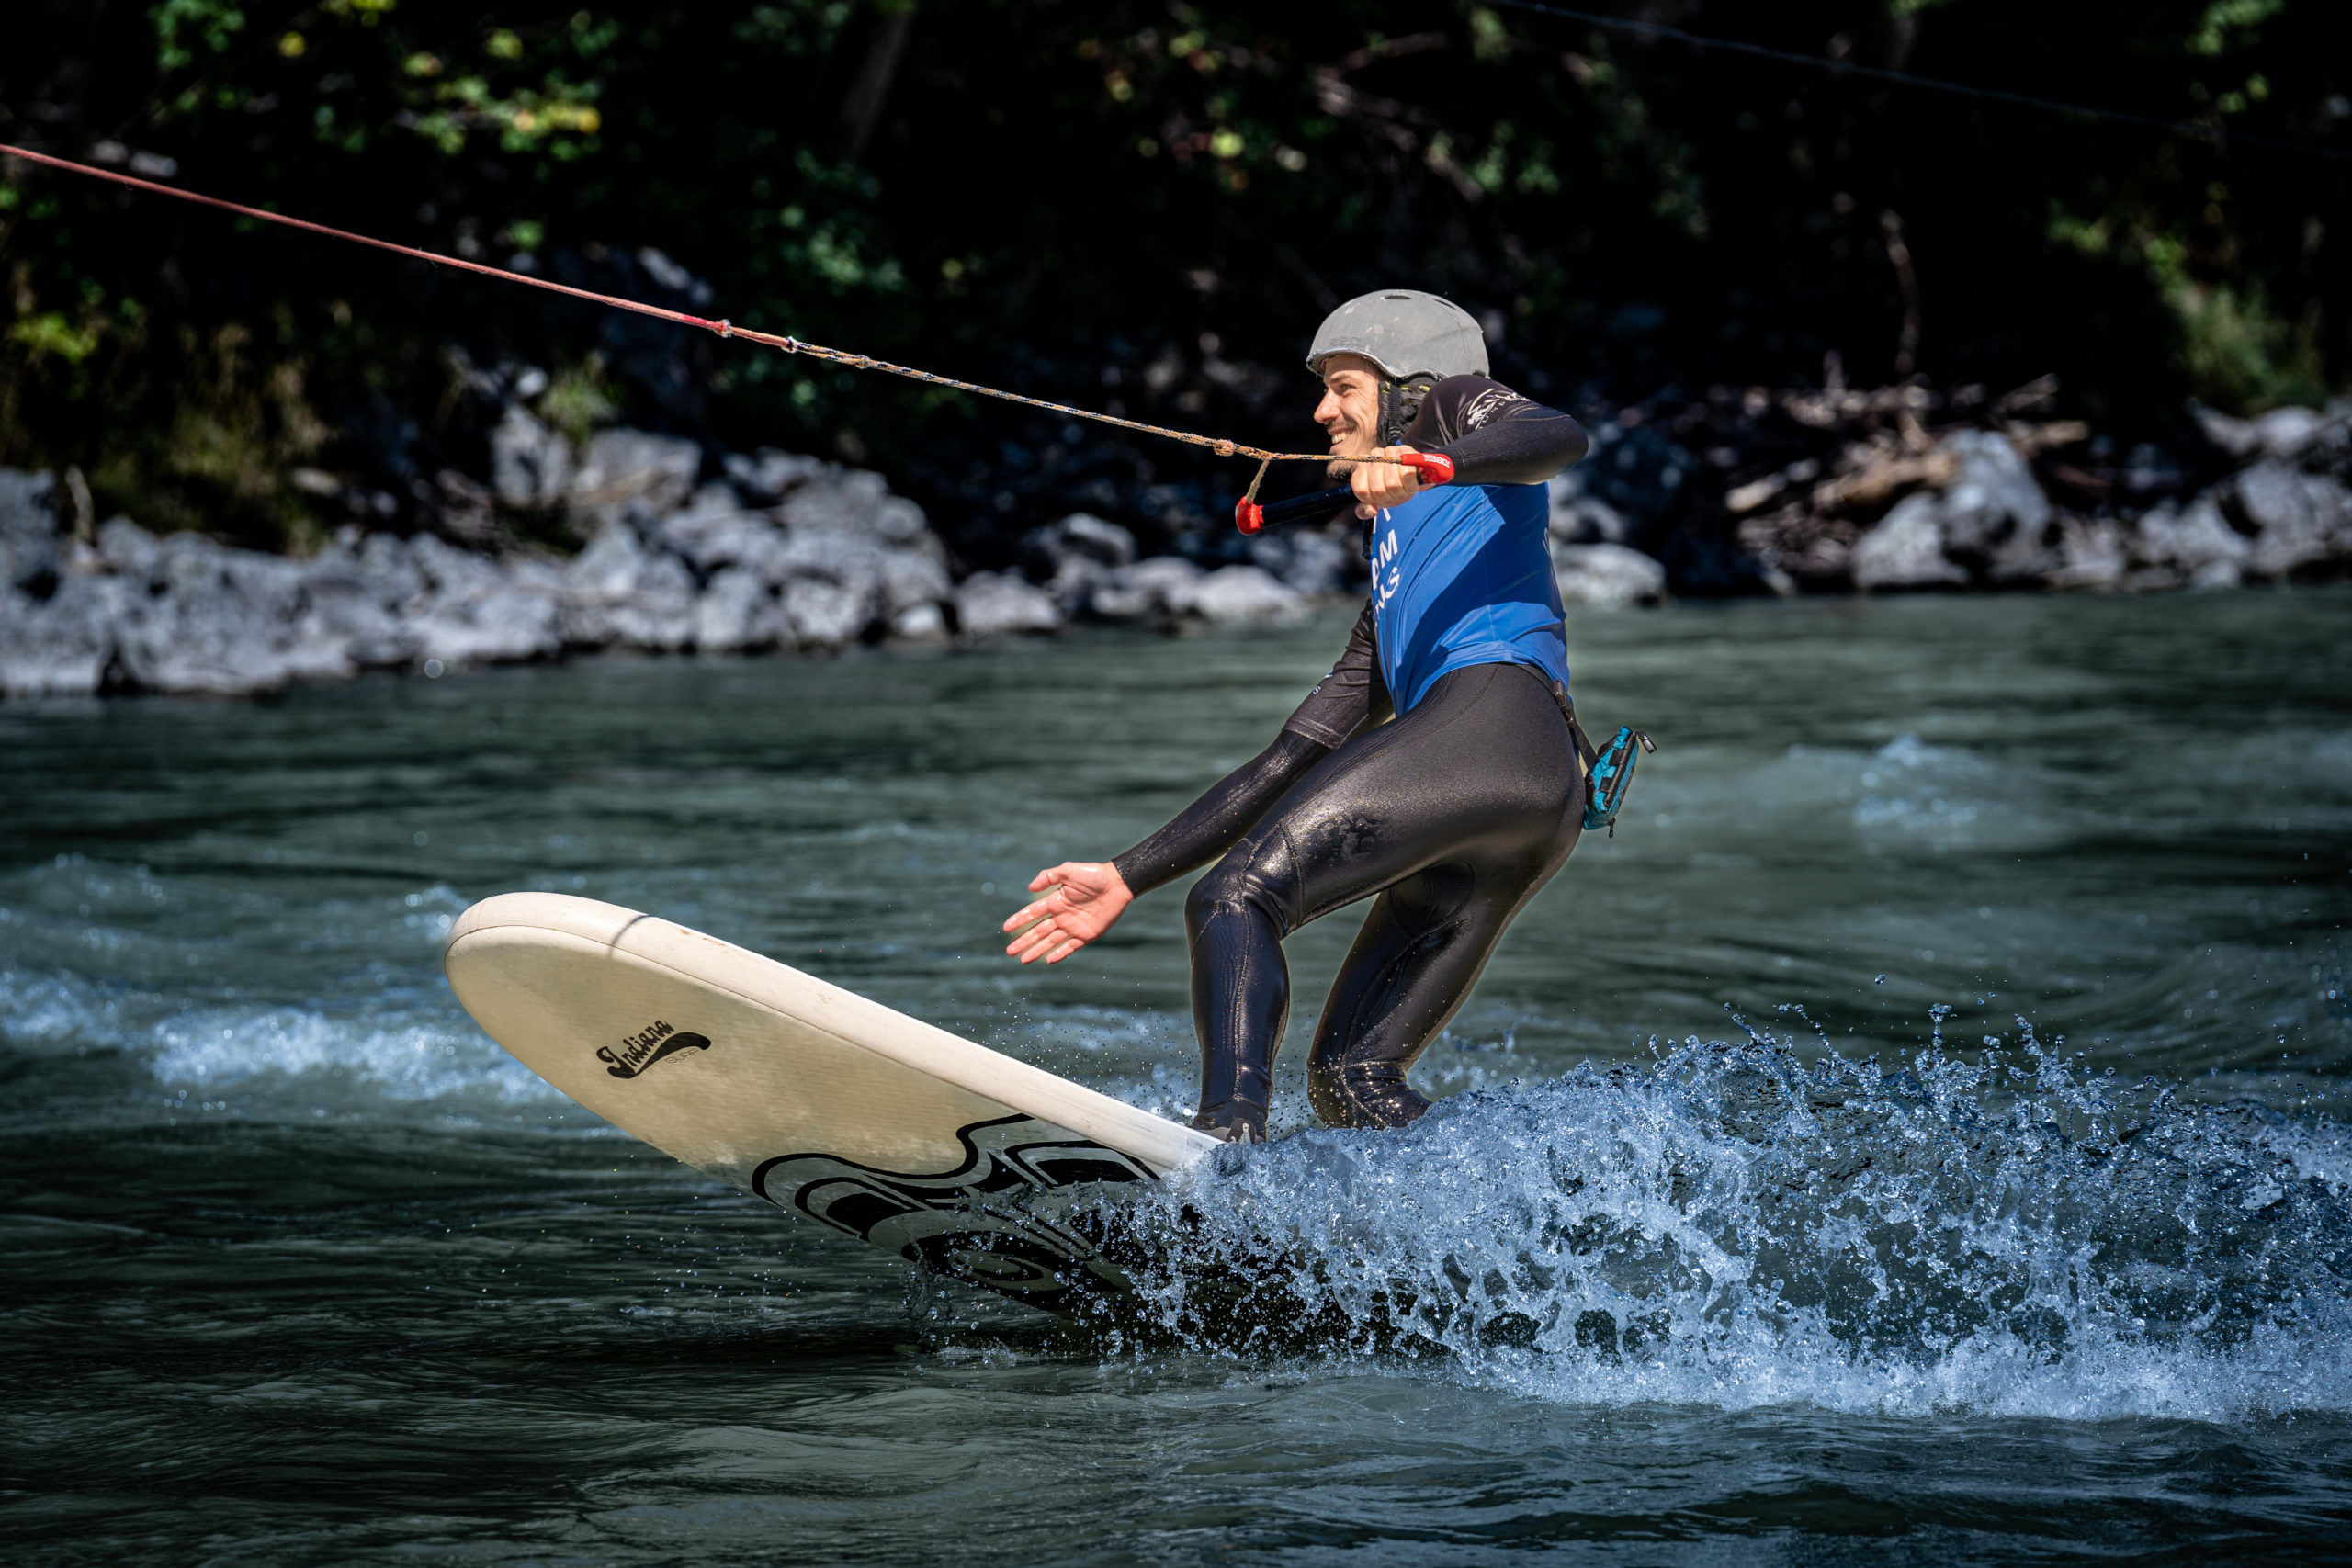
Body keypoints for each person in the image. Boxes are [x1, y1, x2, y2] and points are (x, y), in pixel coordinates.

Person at [1001, 290, 1592, 1143]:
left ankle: (1223, 1160)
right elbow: (1290, 760)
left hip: (1498, 723)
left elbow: (1559, 437)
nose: (1321, 411)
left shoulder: (1460, 413)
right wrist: (1129, 874)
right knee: (1353, 1079)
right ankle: (1479, 1239)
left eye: (1343, 386)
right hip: (1532, 795)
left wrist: (1437, 462)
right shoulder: (1390, 584)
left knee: (1235, 897)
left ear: (1410, 390)